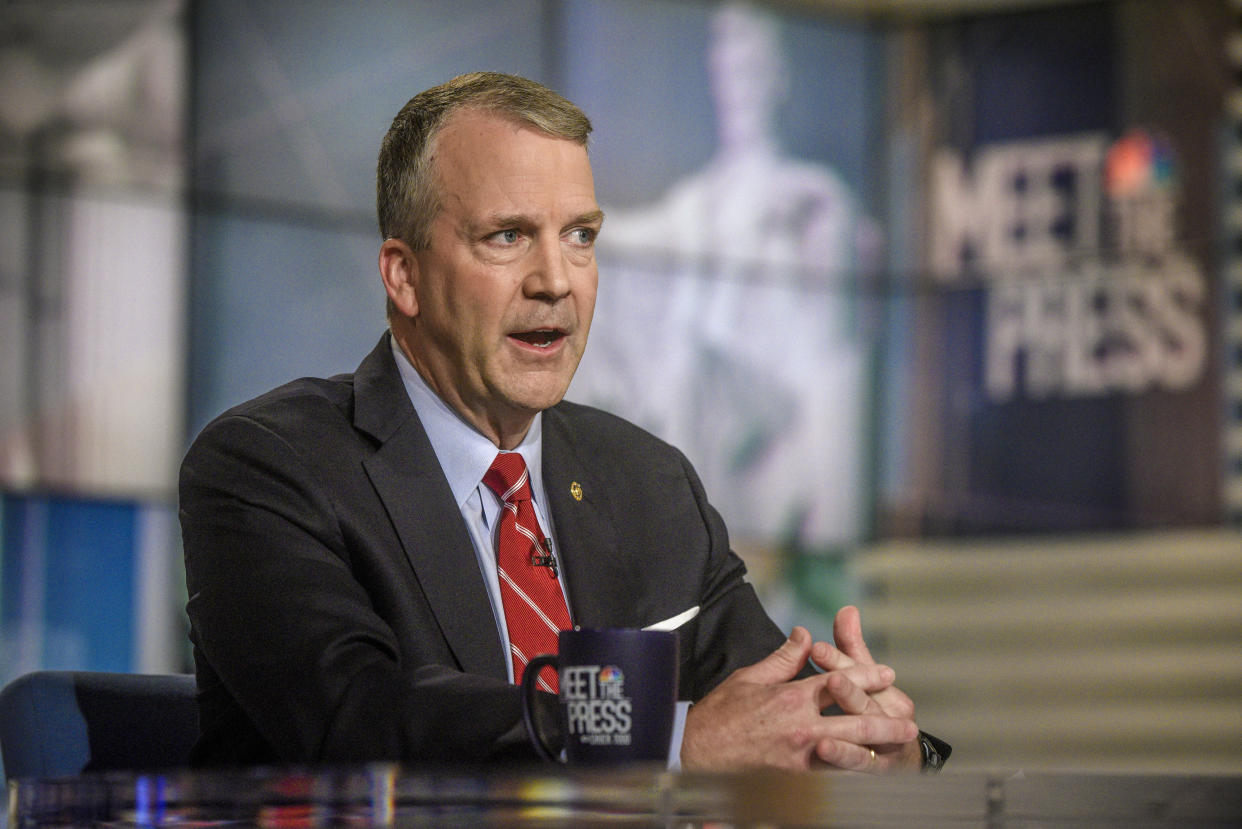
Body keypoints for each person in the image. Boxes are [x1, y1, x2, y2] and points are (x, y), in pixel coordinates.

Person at [180, 71, 948, 772]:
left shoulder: (646, 480)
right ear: (404, 275)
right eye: (508, 236)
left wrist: (868, 737)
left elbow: (763, 702)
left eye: (580, 236)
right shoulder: (270, 466)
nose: (556, 282)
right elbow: (360, 722)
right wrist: (675, 737)